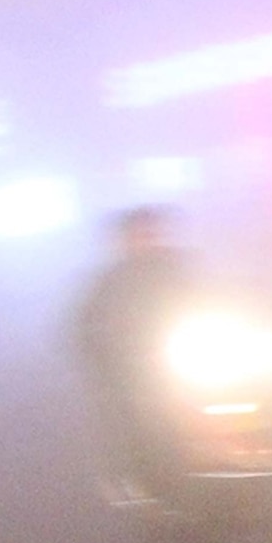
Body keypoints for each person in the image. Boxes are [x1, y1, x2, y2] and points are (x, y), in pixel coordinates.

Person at [72, 206, 197, 502]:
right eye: (138, 235)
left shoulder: (180, 271)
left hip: (183, 364)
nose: (146, 240)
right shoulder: (109, 282)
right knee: (134, 427)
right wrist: (104, 359)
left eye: (151, 233)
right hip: (131, 374)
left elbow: (218, 303)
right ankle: (144, 484)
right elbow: (83, 328)